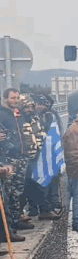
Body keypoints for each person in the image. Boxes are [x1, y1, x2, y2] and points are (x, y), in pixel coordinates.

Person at [0, 88, 34, 232]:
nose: (15, 101)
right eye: (12, 98)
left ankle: (16, 220)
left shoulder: (18, 115)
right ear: (5, 98)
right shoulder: (1, 114)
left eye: (17, 98)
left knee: (18, 192)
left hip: (21, 157)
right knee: (8, 193)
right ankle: (9, 227)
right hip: (8, 159)